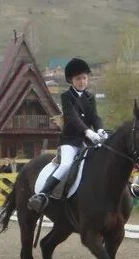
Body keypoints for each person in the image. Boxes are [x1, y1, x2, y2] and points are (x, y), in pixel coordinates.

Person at [28, 57, 107, 212]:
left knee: (105, 159)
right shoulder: (66, 97)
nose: (82, 81)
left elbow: (95, 117)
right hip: (70, 141)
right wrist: (88, 131)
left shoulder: (90, 97)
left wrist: (99, 129)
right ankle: (43, 194)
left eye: (84, 78)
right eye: (78, 79)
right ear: (71, 80)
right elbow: (72, 118)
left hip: (89, 140)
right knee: (65, 165)